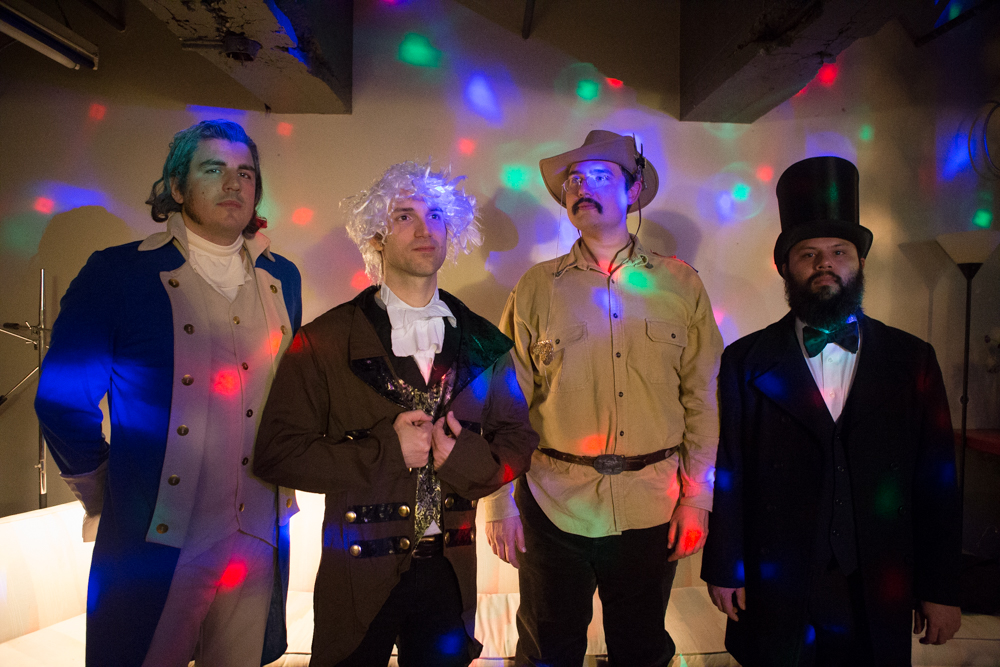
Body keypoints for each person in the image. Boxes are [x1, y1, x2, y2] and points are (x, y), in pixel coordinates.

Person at [35, 119, 302, 667]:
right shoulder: (118, 273)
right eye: (214, 169)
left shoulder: (284, 278)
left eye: (245, 173)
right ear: (177, 187)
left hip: (260, 538)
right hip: (154, 541)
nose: (233, 184)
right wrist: (110, 495)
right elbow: (62, 400)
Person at [252, 160, 538, 666]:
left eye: (435, 216)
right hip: (356, 577)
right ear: (377, 237)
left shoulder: (487, 343)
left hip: (449, 577)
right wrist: (386, 451)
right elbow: (278, 455)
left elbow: (518, 443)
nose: (425, 229)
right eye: (405, 216)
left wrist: (460, 458)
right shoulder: (323, 341)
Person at [701, 156, 963, 666]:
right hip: (777, 575)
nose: (825, 264)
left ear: (860, 263)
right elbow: (729, 470)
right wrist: (725, 566)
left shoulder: (913, 359)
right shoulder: (745, 360)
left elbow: (937, 481)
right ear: (785, 268)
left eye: (839, 252)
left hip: (879, 575)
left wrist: (941, 587)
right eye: (808, 254)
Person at [484, 130, 724, 666]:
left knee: (642, 650)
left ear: (633, 191)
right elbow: (505, 403)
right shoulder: (535, 287)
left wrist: (697, 498)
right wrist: (498, 503)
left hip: (653, 504)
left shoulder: (682, 284)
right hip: (551, 504)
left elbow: (702, 398)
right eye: (573, 180)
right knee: (547, 651)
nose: (581, 188)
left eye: (599, 176)